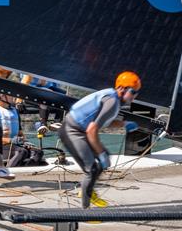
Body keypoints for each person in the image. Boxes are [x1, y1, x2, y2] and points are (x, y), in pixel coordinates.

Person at [59, 71, 142, 208]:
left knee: (98, 164)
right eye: (133, 92)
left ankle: (88, 193)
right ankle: (86, 211)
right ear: (122, 88)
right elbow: (92, 130)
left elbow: (104, 121)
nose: (135, 96)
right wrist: (101, 153)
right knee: (91, 169)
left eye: (137, 93)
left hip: (79, 131)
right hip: (72, 131)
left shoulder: (114, 99)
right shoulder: (112, 101)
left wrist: (124, 124)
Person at [0, 95, 44, 167]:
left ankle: (26, 173)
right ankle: (6, 172)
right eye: (10, 95)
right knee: (21, 151)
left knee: (38, 152)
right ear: (1, 96)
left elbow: (20, 133)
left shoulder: (15, 111)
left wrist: (25, 141)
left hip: (15, 146)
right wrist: (10, 140)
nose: (13, 97)